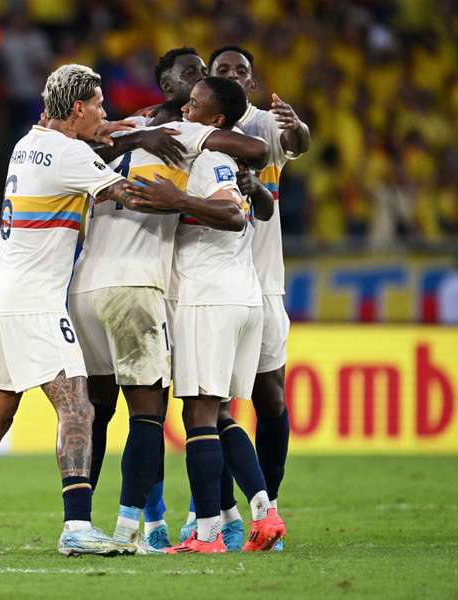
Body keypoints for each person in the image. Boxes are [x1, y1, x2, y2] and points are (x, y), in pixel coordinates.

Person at [0, 64, 168, 556]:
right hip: (34, 301)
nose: (104, 113)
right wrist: (188, 198)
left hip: (2, 293)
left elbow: (94, 139)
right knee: (78, 405)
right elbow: (124, 192)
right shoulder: (68, 154)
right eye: (99, 105)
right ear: (78, 108)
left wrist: (119, 129)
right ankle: (77, 527)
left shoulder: (30, 142)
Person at [69, 105, 268, 552]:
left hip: (82, 284)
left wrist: (133, 135)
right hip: (135, 283)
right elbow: (254, 152)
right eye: (192, 82)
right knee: (150, 412)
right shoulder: (184, 136)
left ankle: (77, 523)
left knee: (97, 412)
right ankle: (130, 532)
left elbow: (76, 144)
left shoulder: (107, 139)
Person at [128, 77, 285, 554]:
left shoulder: (209, 158)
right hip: (240, 295)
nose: (184, 109)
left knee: (198, 413)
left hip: (207, 298)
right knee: (217, 414)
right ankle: (265, 512)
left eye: (194, 105)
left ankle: (207, 535)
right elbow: (254, 208)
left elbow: (234, 216)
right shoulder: (223, 161)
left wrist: (175, 200)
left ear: (216, 120)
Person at [203, 45, 312, 550]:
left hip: (264, 280)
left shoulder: (266, 125)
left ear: (251, 82)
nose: (230, 75)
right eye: (221, 69)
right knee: (213, 403)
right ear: (207, 77)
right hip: (211, 282)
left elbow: (297, 142)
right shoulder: (193, 127)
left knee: (270, 398)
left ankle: (269, 504)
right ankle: (217, 513)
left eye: (239, 71)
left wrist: (297, 126)